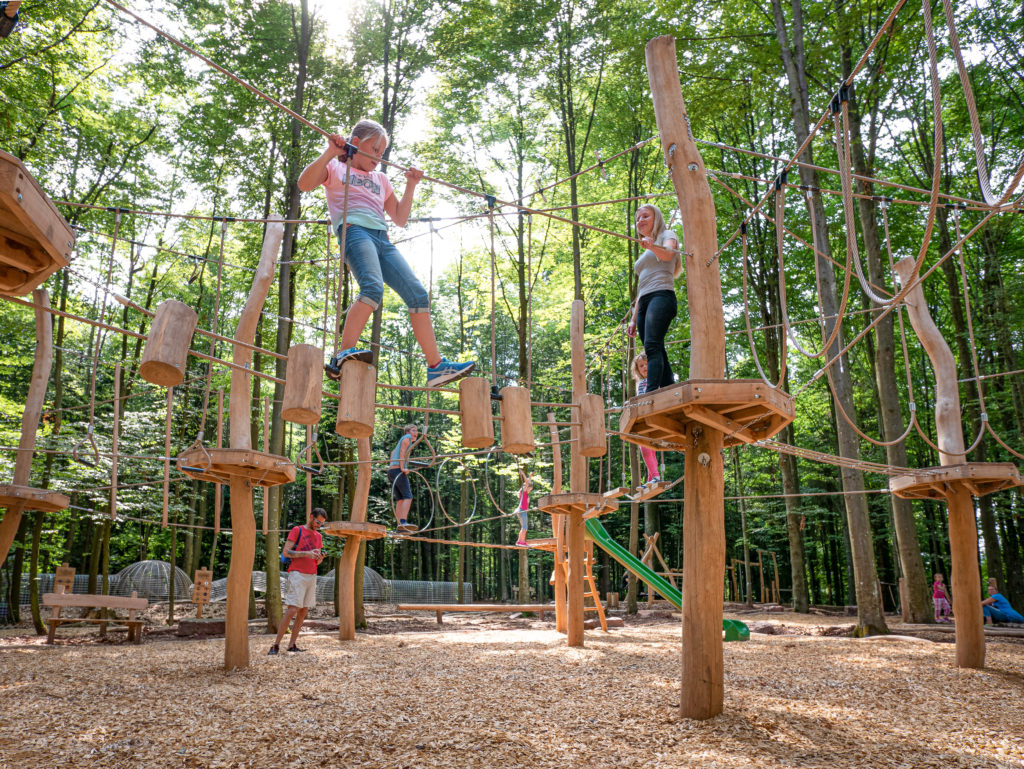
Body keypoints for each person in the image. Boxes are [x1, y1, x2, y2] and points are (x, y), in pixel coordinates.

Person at [297, 119, 474, 387]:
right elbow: (304, 184)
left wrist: (411, 184)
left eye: (382, 152)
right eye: (375, 149)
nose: (379, 157)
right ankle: (342, 354)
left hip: (382, 239)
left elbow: (400, 218)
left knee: (418, 294)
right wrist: (330, 152)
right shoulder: (335, 168)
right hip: (354, 231)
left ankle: (436, 367)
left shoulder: (381, 179)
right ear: (356, 143)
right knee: (372, 288)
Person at [626, 204, 681, 393]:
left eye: (645, 216)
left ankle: (651, 393)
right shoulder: (645, 250)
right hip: (645, 301)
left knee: (652, 346)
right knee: (657, 347)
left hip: (662, 295)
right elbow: (642, 289)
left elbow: (667, 254)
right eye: (638, 218)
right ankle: (668, 390)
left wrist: (652, 246)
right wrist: (633, 319)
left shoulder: (668, 235)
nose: (640, 221)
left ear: (656, 218)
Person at [269, 507, 327, 654]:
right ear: (310, 516)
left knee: (303, 611)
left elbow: (316, 561)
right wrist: (306, 553)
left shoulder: (319, 537)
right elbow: (286, 552)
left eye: (321, 523)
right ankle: (275, 645)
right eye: (317, 521)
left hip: (312, 575)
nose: (318, 525)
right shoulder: (297, 530)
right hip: (297, 574)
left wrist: (319, 558)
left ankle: (292, 645)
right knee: (292, 609)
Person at [630, 352, 660, 487]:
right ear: (638, 370)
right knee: (648, 449)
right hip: (644, 418)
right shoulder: (641, 383)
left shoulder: (655, 380)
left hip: (653, 417)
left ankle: (655, 476)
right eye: (641, 366)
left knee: (647, 449)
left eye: (647, 364)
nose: (644, 368)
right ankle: (651, 478)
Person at [388, 425, 418, 532]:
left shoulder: (402, 441)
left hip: (391, 471)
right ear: (407, 432)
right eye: (414, 430)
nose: (416, 433)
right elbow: (401, 453)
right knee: (408, 496)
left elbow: (393, 453)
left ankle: (399, 525)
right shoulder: (407, 439)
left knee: (400, 500)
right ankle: (403, 521)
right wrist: (403, 468)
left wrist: (392, 466)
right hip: (398, 471)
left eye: (417, 431)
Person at [514, 471, 532, 547]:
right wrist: (523, 474)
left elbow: (528, 483)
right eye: (529, 488)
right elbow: (527, 483)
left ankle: (520, 541)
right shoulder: (523, 492)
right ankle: (521, 541)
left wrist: (530, 476)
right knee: (524, 528)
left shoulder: (526, 494)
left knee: (524, 527)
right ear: (525, 487)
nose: (530, 489)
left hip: (523, 511)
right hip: (522, 511)